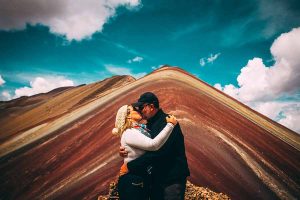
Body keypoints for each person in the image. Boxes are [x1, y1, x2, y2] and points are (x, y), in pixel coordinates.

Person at [120, 92, 190, 200]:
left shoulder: (168, 121)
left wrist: (130, 166)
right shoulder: (149, 124)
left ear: (151, 106)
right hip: (156, 178)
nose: (139, 111)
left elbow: (159, 152)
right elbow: (140, 145)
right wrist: (126, 150)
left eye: (142, 107)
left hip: (171, 179)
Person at [112, 104, 178, 200]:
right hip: (133, 178)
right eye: (134, 109)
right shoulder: (130, 132)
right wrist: (170, 125)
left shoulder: (140, 130)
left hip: (139, 177)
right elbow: (153, 145)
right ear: (128, 115)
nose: (138, 110)